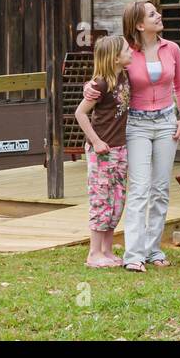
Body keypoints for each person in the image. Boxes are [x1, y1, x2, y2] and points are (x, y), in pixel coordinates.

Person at [85, 0, 180, 272]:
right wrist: (90, 86)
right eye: (152, 14)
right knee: (140, 189)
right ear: (140, 25)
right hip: (137, 125)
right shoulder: (126, 53)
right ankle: (133, 254)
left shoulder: (172, 49)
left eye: (157, 11)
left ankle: (153, 249)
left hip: (167, 122)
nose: (159, 15)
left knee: (161, 189)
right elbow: (106, 74)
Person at [73, 35, 132, 268]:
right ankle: (93, 253)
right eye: (127, 49)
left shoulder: (124, 76)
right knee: (101, 199)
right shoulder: (101, 84)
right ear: (116, 57)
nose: (131, 52)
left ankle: (107, 250)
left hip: (120, 148)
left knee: (117, 200)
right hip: (102, 151)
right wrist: (96, 141)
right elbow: (80, 113)